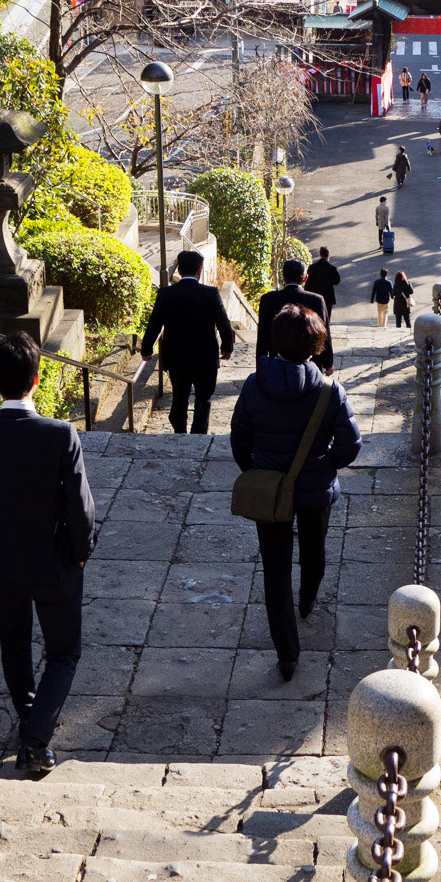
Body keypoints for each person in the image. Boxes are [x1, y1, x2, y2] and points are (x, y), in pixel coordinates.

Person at [0, 333, 95, 779]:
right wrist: (82, 551)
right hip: (53, 558)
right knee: (64, 652)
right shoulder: (60, 433)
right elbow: (79, 506)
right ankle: (34, 740)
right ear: (38, 377)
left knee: (14, 642)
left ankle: (29, 718)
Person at [230, 306, 362, 680]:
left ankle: (287, 654)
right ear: (316, 346)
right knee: (314, 550)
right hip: (315, 489)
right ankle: (307, 599)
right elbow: (351, 444)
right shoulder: (330, 390)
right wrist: (324, 464)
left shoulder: (255, 385)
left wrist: (257, 470)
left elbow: (239, 438)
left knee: (274, 571)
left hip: (270, 489)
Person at [139, 249, 234, 435]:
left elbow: (154, 323)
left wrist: (146, 349)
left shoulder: (166, 294)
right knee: (203, 400)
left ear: (179, 271)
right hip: (205, 358)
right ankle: (198, 434)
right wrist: (227, 347)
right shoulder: (210, 293)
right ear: (200, 269)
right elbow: (224, 323)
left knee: (179, 397)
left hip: (176, 358)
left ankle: (179, 430)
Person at [256, 259, 331, 371]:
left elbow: (262, 335)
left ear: (283, 277)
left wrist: (260, 365)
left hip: (277, 363)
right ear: (305, 278)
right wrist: (328, 362)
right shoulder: (316, 300)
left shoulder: (268, 299)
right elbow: (324, 334)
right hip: (310, 365)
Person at [306, 246, 341, 314]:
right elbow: (337, 281)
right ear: (328, 256)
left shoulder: (312, 268)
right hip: (328, 298)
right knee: (326, 318)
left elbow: (308, 284)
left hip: (314, 297)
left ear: (319, 255)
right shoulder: (332, 268)